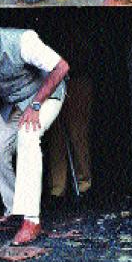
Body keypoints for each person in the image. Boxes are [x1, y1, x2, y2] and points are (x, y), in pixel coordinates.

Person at [0, 25, 68, 245]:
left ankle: (31, 221)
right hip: (15, 102)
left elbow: (61, 67)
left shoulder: (23, 41)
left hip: (45, 96)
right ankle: (15, 210)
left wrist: (35, 105)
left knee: (28, 134)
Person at [46, 73, 93, 201]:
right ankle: (57, 188)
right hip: (52, 76)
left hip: (77, 74)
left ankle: (83, 185)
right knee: (56, 134)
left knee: (77, 133)